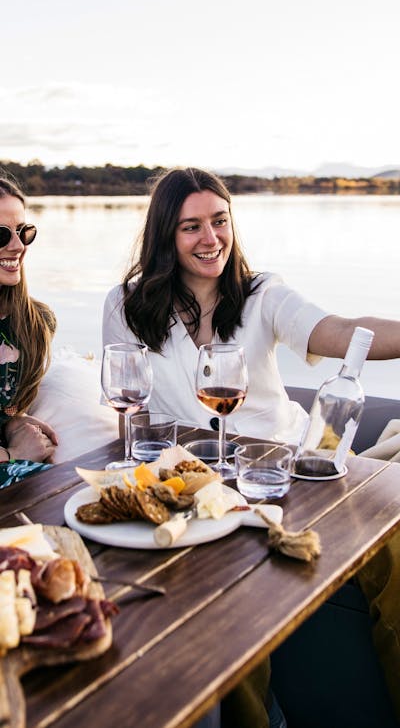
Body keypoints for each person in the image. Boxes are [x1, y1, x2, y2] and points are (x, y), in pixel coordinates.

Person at [102, 166, 400, 727]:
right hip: (190, 481)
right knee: (225, 602)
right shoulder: (124, 305)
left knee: (394, 548)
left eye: (220, 221)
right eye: (191, 227)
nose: (210, 239)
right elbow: (131, 411)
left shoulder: (262, 294)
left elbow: (338, 331)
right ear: (165, 235)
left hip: (283, 469)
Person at [0, 172, 58, 484]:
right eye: (1, 235)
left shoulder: (35, 324)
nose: (17, 246)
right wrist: (14, 454)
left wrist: (13, 422)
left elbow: (9, 405)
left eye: (24, 232)